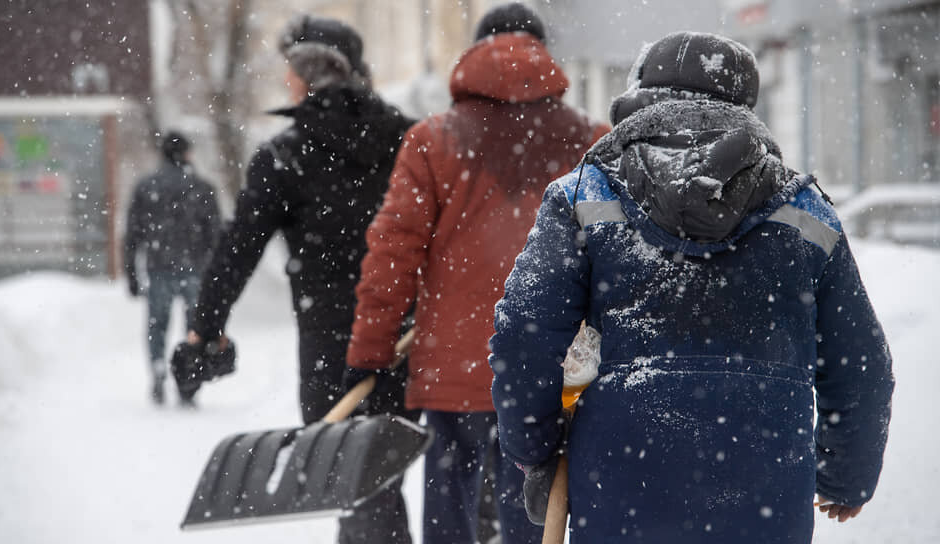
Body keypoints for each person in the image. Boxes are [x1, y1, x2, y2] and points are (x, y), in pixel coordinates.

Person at [488, 31, 895, 543]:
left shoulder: (583, 195)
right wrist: (845, 476)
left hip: (619, 482)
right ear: (746, 105)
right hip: (763, 488)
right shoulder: (805, 213)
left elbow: (524, 335)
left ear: (637, 98)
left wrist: (535, 446)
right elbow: (860, 363)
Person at [342, 4, 610, 543]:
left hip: (454, 365)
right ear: (543, 56)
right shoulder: (591, 141)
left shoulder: (431, 140)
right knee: (534, 499)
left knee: (450, 500)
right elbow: (613, 258)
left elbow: (393, 254)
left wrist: (369, 352)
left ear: (475, 53)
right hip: (552, 363)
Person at [186, 13, 417, 544]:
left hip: (330, 346)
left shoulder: (286, 156)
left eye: (289, 66)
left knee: (358, 484)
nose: (284, 78)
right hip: (406, 337)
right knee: (382, 482)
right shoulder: (410, 140)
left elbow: (236, 249)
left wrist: (205, 327)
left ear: (308, 72)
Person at [124, 131, 221, 405]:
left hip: (159, 267)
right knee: (194, 328)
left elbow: (133, 234)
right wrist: (216, 273)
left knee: (157, 325)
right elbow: (215, 235)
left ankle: (158, 367)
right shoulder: (202, 187)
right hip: (195, 268)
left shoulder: (146, 187)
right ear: (186, 154)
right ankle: (188, 380)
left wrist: (131, 272)